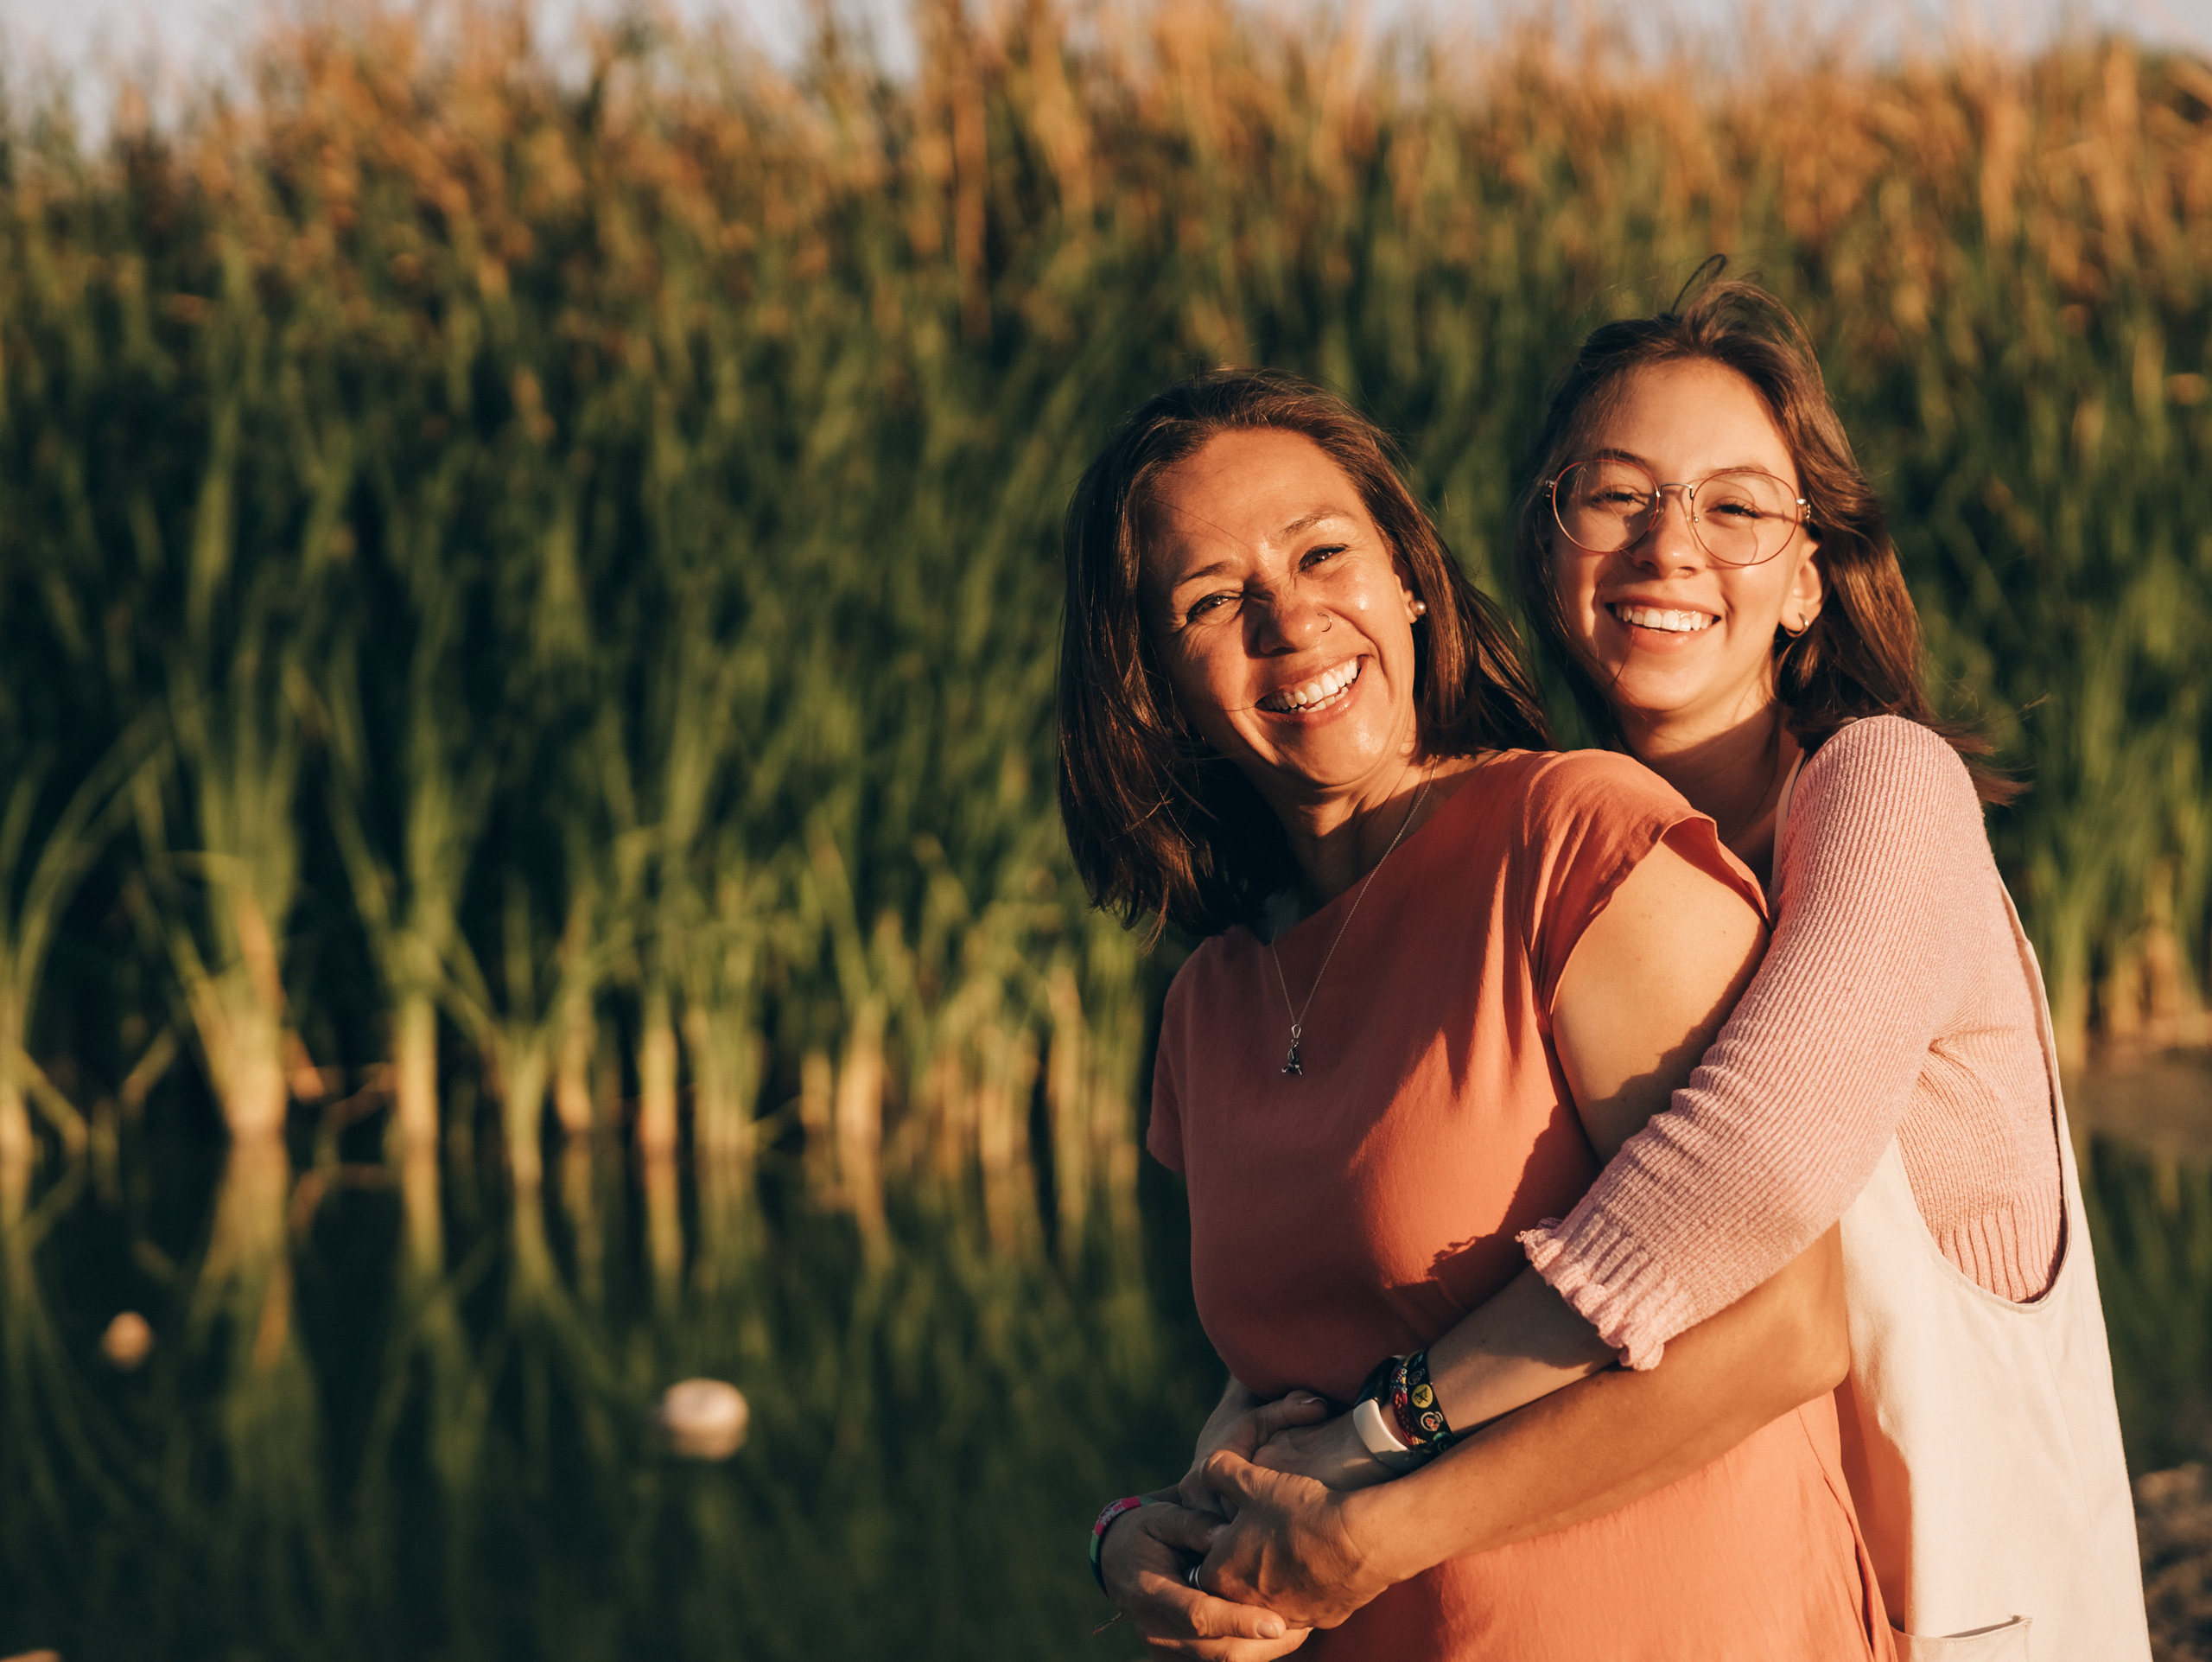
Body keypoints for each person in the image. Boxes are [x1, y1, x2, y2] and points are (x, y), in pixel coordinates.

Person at [1240, 273, 2150, 1659]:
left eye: (1737, 510)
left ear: (1807, 579)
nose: (1672, 549)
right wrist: (1188, 1497)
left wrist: (1385, 1430)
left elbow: (1757, 1171)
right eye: (1617, 498)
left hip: (1961, 1619)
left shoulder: (1881, 790)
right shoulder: (1550, 857)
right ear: (1548, 547)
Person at [1059, 366, 1895, 1659]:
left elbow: (1784, 1329)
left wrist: (1385, 1533)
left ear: (1407, 580)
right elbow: (1295, 1374)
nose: (1290, 621)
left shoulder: (1574, 842)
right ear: (1150, 684)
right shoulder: (1208, 1005)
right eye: (1215, 601)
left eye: (1324, 554)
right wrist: (1152, 1528)